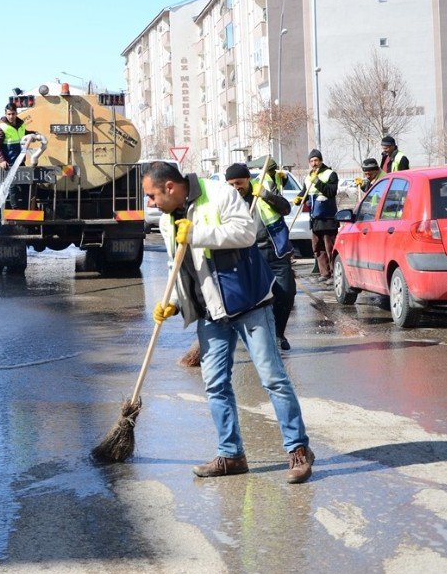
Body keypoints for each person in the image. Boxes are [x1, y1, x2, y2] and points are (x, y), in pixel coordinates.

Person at [144, 161, 314, 484]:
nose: (150, 203)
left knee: (273, 378)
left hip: (247, 301)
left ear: (169, 187)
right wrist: (175, 304)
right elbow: (181, 266)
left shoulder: (219, 193)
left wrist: (197, 233)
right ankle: (231, 454)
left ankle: (299, 451)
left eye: (152, 196)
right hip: (211, 312)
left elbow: (246, 232)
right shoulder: (167, 221)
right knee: (215, 383)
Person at [225, 161, 296, 352]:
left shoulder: (263, 189)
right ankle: (260, 339)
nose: (236, 188)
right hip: (249, 256)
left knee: (286, 293)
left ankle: (279, 333)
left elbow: (286, 209)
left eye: (239, 183)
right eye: (231, 184)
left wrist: (266, 196)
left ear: (248, 179)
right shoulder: (227, 201)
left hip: (275, 251)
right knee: (256, 301)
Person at [295, 149, 339, 283]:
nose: (314, 163)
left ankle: (334, 274)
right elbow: (305, 191)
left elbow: (331, 192)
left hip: (327, 217)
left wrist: (318, 182)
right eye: (312, 161)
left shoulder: (330, 174)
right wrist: (299, 198)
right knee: (318, 247)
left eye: (316, 160)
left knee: (329, 246)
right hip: (315, 218)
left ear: (321, 161)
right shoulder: (308, 177)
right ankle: (324, 273)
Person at [0, 102, 28, 208]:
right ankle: (15, 209)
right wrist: (2, 160)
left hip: (20, 161)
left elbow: (25, 134)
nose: (11, 116)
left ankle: (26, 207)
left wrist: (35, 134)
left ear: (16, 113)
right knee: (13, 186)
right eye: (9, 114)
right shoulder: (2, 127)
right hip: (9, 162)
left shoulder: (21, 125)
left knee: (25, 185)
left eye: (13, 114)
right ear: (5, 114)